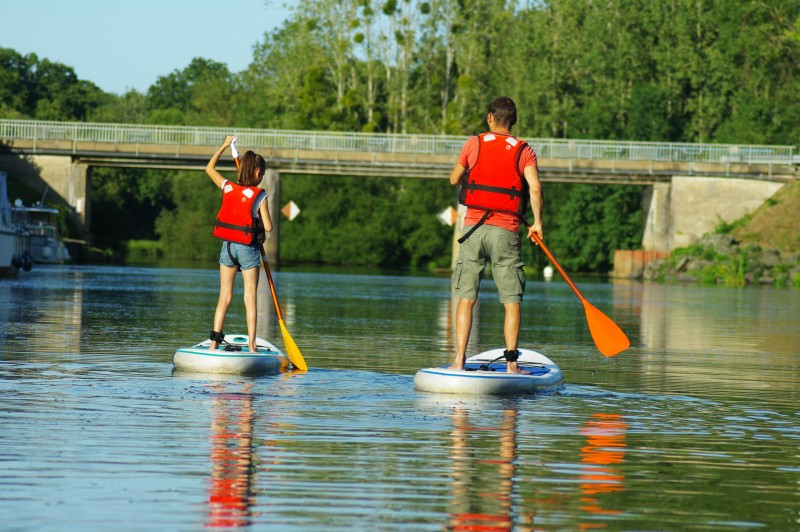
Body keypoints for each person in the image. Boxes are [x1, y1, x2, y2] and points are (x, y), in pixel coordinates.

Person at [449, 96, 543, 374]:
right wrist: (537, 224)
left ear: (490, 117)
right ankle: (512, 366)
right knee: (511, 301)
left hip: (473, 229)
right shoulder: (524, 150)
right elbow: (535, 189)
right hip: (506, 231)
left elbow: (455, 178)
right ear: (513, 120)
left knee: (467, 297)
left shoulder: (473, 143)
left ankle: (458, 362)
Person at [205, 135, 273, 353]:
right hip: (247, 250)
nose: (262, 177)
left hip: (227, 248)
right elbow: (269, 227)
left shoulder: (227, 187)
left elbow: (209, 168)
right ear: (257, 173)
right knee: (250, 296)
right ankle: (252, 346)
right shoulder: (259, 195)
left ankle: (213, 343)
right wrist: (257, 223)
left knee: (224, 295)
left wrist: (224, 146)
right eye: (262, 173)